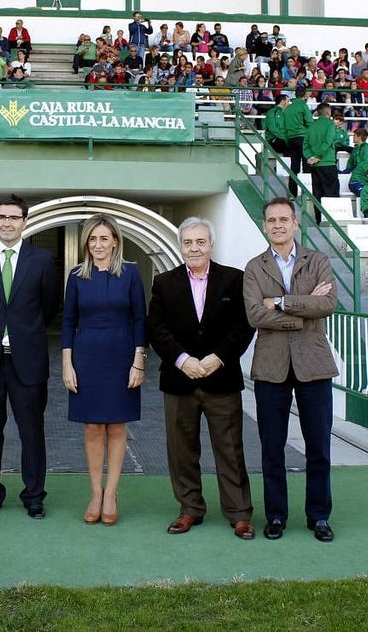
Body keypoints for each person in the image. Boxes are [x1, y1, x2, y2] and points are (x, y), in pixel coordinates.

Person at [147, 217, 255, 540]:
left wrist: (216, 358)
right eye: (188, 242)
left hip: (221, 379)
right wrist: (182, 360)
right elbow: (156, 328)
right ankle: (190, 508)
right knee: (181, 449)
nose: (194, 248)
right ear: (181, 246)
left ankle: (239, 513)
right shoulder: (163, 283)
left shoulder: (234, 280)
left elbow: (243, 325)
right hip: (179, 380)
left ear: (211, 244)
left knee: (230, 448)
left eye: (200, 242)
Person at [0, 194, 60, 521]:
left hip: (27, 360)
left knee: (31, 430)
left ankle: (34, 495)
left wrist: (23, 333)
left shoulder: (42, 260)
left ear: (24, 222)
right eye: (1, 217)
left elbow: (50, 307)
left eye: (13, 218)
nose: (6, 223)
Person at [243, 197, 337, 542]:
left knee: (318, 446)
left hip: (313, 365)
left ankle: (319, 516)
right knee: (271, 447)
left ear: (296, 223)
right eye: (272, 220)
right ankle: (276, 515)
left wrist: (280, 303)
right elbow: (255, 315)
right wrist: (302, 311)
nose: (278, 225)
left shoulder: (319, 260)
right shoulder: (255, 267)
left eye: (284, 219)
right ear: (265, 225)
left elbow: (326, 303)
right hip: (271, 367)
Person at [61, 214, 147, 527]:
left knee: (117, 426)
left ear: (115, 241)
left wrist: (139, 360)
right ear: (86, 243)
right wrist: (67, 363)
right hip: (86, 357)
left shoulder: (131, 274)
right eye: (93, 239)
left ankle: (112, 493)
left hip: (122, 356)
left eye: (104, 238)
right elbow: (68, 321)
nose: (98, 244)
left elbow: (140, 318)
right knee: (92, 427)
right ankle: (95, 493)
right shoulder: (76, 276)